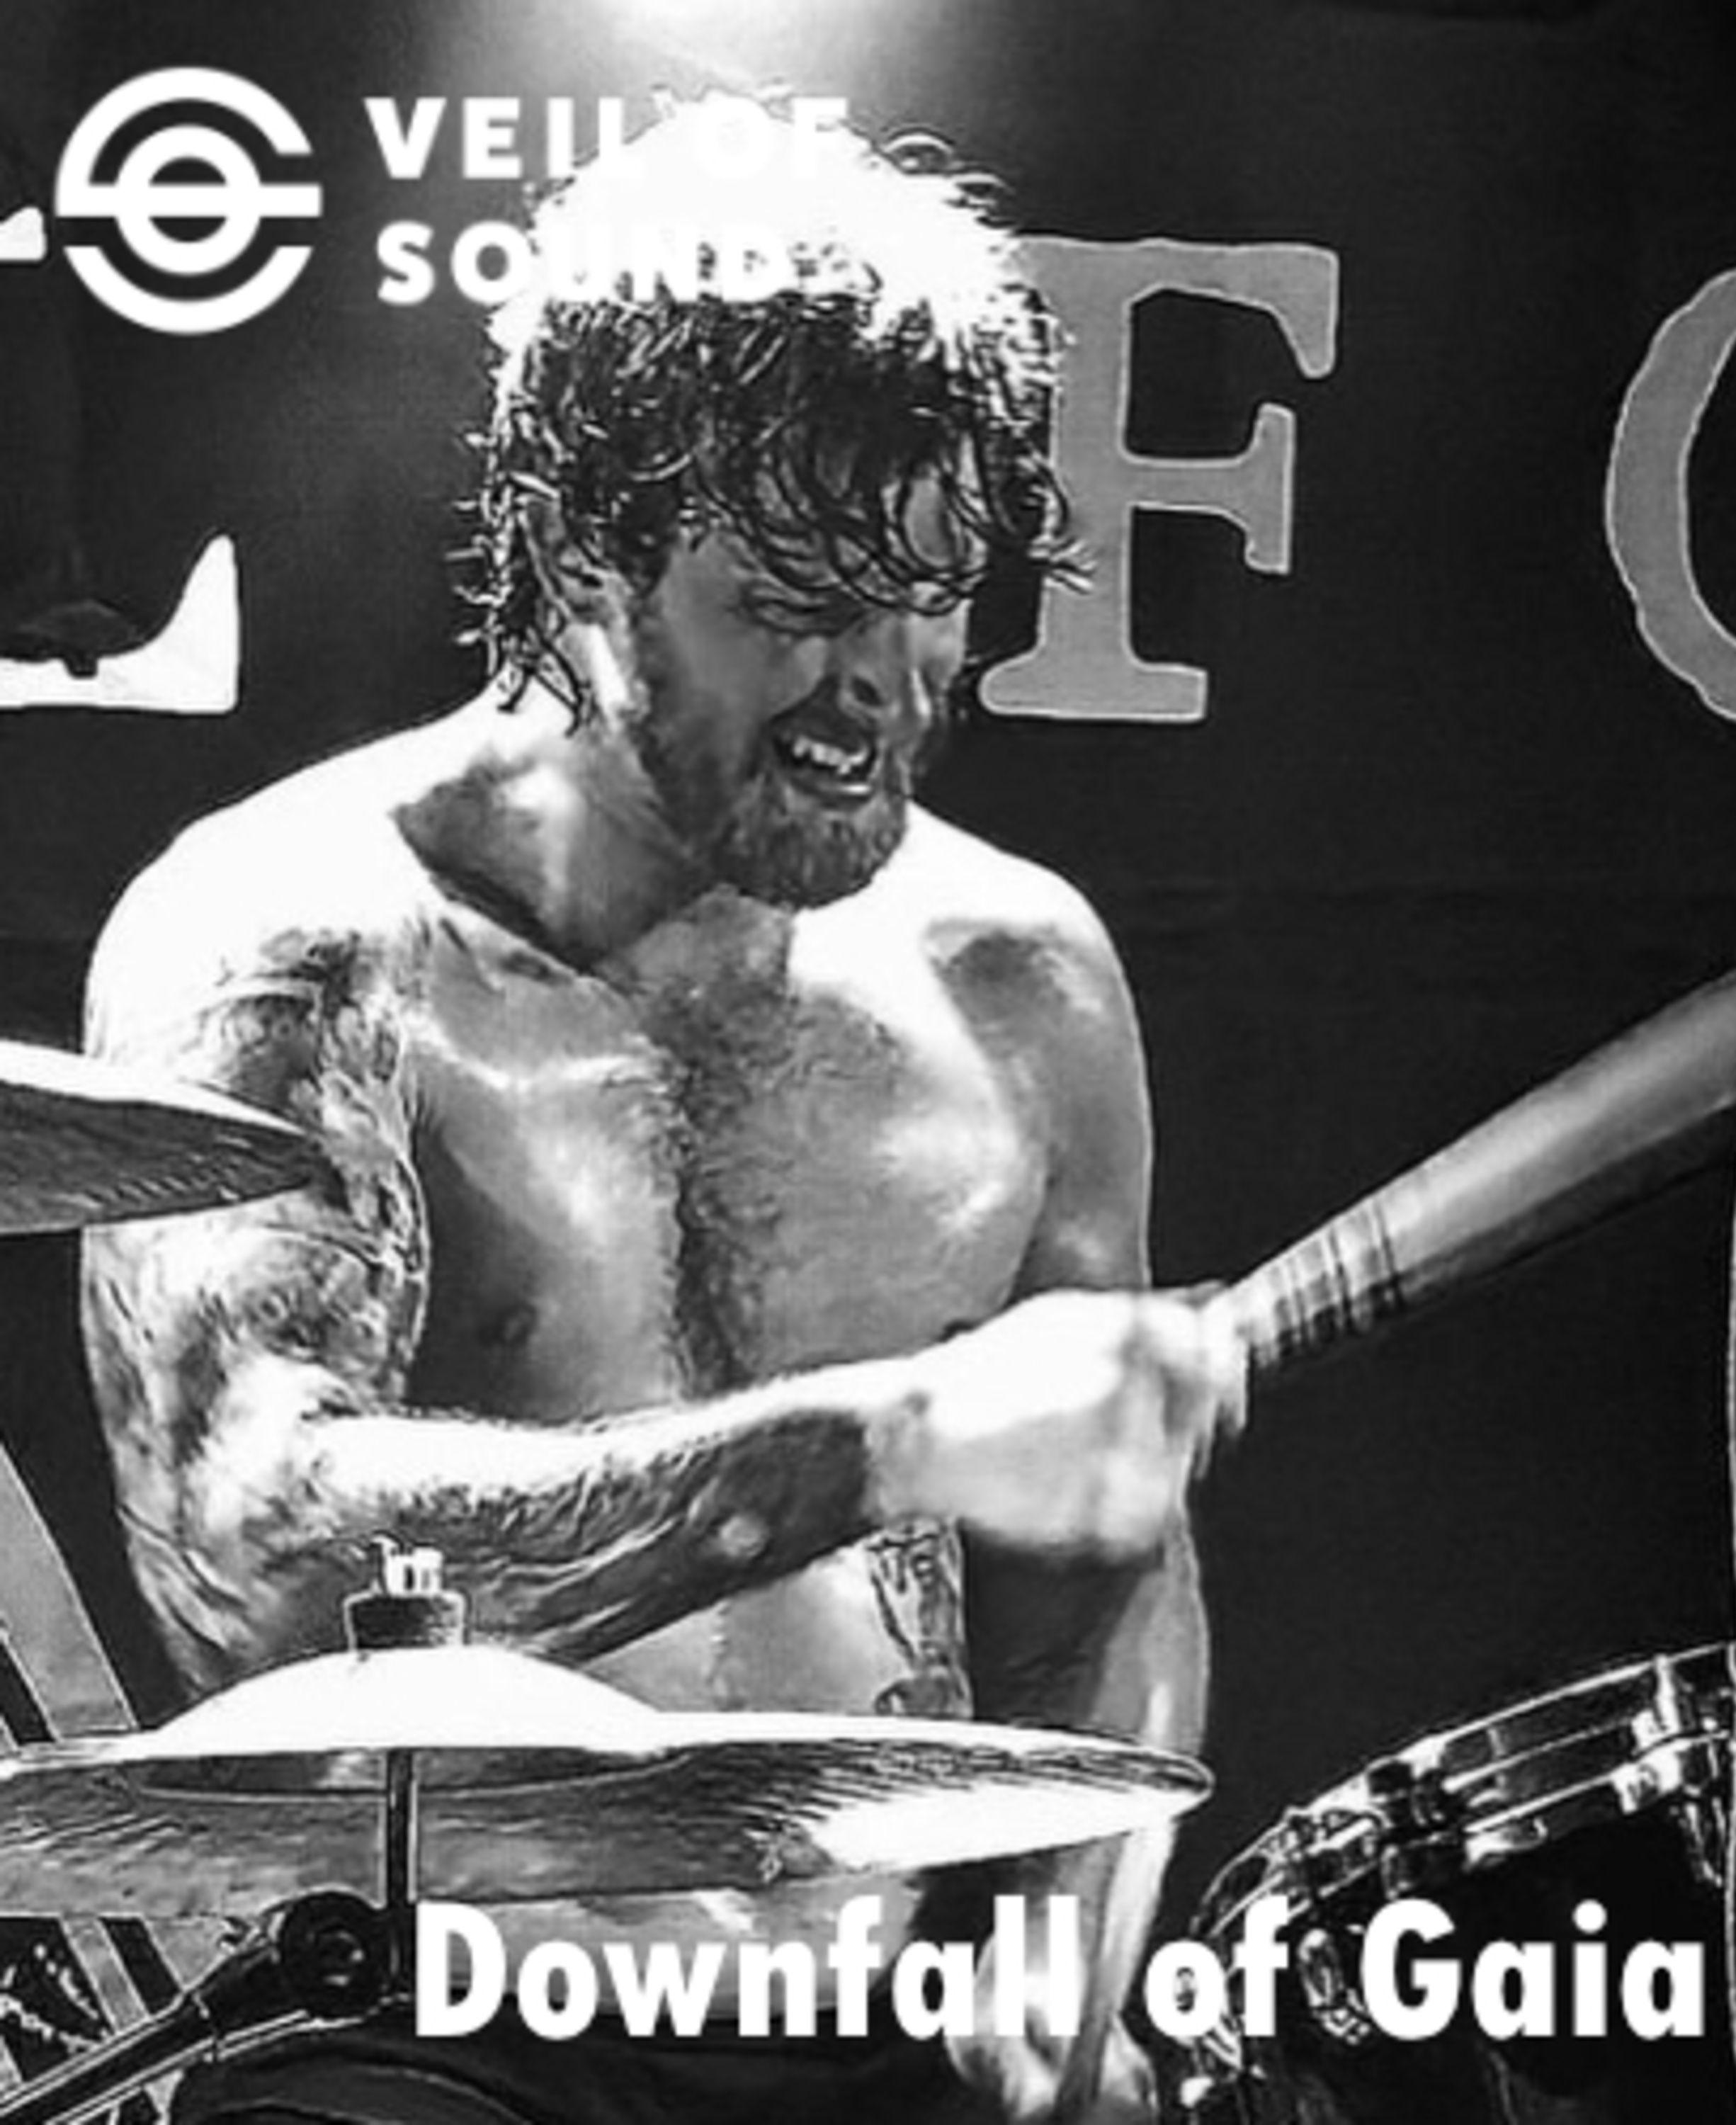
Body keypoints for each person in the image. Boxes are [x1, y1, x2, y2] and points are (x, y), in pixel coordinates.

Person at [78, 91, 1242, 2125]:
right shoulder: (301, 944)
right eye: (791, 600)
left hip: (868, 2024)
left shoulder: (1021, 983)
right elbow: (253, 1557)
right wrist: (894, 1439)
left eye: (931, 591)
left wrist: (1061, 1967)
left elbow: (1106, 1572)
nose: (879, 683)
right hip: (420, 2020)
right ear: (581, 550)